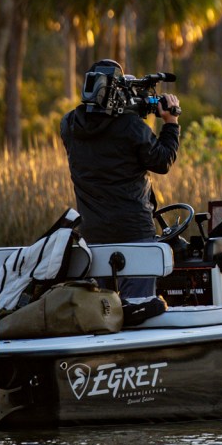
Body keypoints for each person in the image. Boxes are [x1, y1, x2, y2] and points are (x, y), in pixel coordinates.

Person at [60, 59, 182, 304]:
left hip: (92, 236)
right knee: (139, 306)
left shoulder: (70, 124)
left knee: (103, 311)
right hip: (134, 233)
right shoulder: (131, 127)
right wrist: (171, 123)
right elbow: (162, 161)